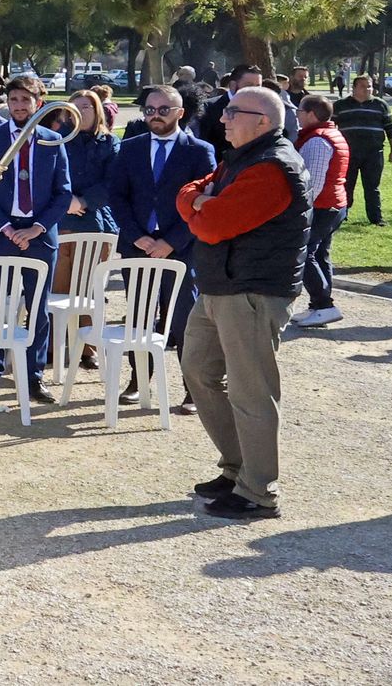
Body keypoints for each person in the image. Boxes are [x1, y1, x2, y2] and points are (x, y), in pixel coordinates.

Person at [176, 86, 309, 520]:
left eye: (234, 112)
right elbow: (191, 193)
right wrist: (200, 199)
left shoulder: (272, 168)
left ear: (263, 122)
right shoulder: (240, 158)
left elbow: (213, 226)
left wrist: (200, 204)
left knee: (252, 392)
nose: (224, 118)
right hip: (220, 286)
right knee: (197, 369)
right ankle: (238, 469)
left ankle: (258, 491)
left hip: (252, 292)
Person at [108, 85, 216, 410]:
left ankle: (191, 389)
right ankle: (139, 381)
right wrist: (137, 236)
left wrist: (171, 241)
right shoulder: (129, 148)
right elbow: (117, 197)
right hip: (137, 245)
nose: (155, 115)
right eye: (150, 110)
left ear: (180, 113)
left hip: (180, 250)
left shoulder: (199, 151)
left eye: (163, 110)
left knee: (184, 319)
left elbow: (202, 204)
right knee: (139, 318)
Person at [0, 75, 72, 405]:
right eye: (13, 100)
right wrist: (6, 228)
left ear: (37, 104)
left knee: (38, 307)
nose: (19, 106)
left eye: (25, 101)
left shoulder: (52, 140)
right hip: (1, 234)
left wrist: (37, 228)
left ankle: (33, 375)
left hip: (39, 238)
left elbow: (63, 192)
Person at [51, 89, 118, 372]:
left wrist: (84, 201)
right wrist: (66, 200)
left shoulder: (110, 143)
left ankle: (86, 346)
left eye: (87, 107)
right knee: (58, 286)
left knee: (87, 289)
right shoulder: (57, 140)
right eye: (76, 107)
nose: (82, 111)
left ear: (97, 110)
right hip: (59, 222)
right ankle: (53, 346)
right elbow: (50, 175)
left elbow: (112, 182)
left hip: (95, 223)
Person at [292, 95, 350, 327]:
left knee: (303, 254)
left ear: (312, 114)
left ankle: (324, 304)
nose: (297, 114)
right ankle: (319, 307)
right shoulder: (331, 134)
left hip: (322, 206)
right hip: (334, 204)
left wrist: (299, 210)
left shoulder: (317, 140)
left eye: (300, 111)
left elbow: (312, 182)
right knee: (319, 254)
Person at [333, 74, 392, 226]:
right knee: (346, 184)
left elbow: (390, 128)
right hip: (348, 152)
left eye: (369, 86)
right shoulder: (341, 105)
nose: (367, 89)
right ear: (354, 88)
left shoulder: (380, 105)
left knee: (372, 186)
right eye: (363, 86)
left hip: (373, 152)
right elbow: (330, 126)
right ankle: (342, 215)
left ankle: (376, 218)